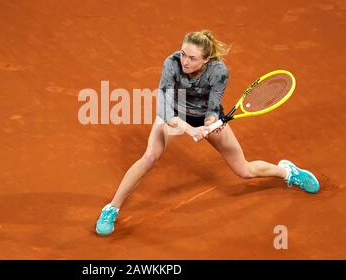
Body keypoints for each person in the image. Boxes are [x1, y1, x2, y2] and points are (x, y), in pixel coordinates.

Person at [95, 30, 320, 236]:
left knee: (244, 170)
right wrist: (188, 128)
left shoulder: (219, 71)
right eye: (183, 54)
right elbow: (163, 105)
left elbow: (213, 106)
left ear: (207, 59)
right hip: (174, 112)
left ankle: (287, 172)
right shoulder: (171, 64)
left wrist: (211, 122)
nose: (185, 61)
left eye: (192, 58)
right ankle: (111, 208)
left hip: (204, 116)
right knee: (150, 157)